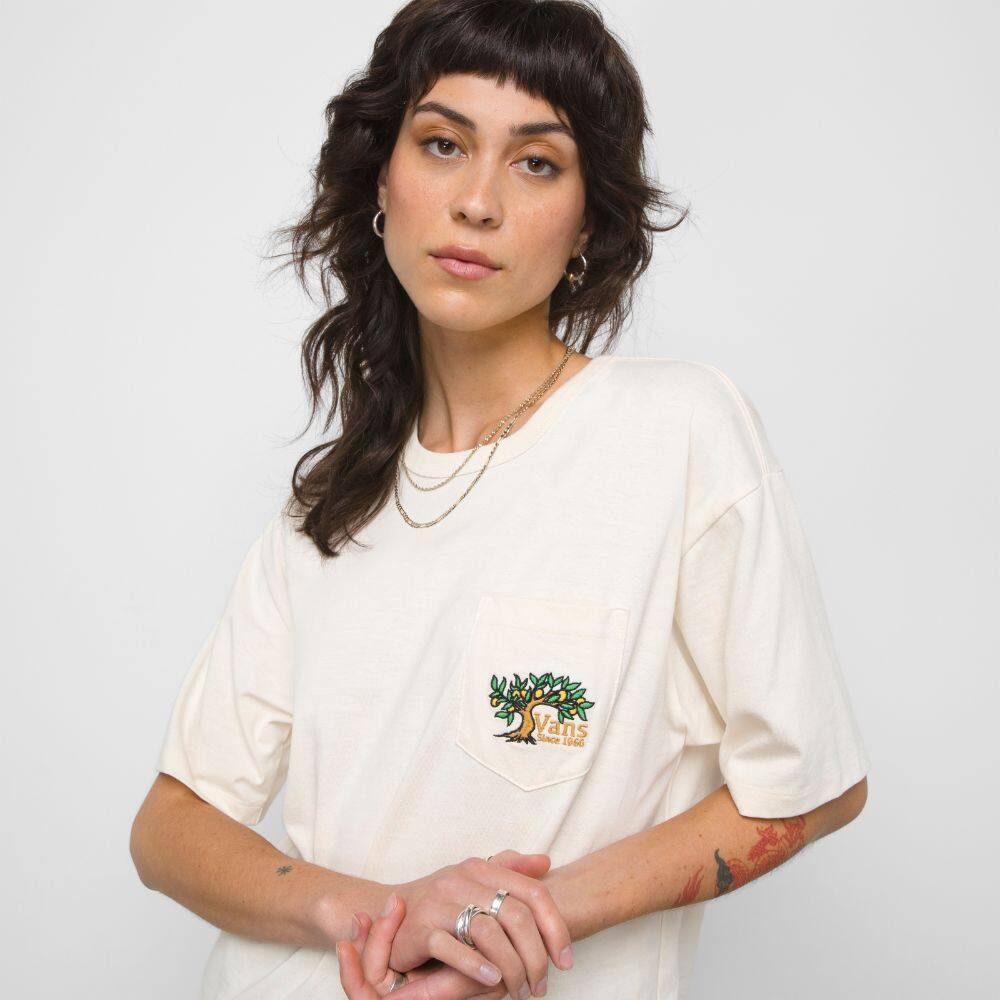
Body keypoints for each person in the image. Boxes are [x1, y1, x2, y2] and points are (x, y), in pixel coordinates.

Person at [129, 2, 872, 999]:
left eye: (536, 163)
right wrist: (380, 915)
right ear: (382, 180)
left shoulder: (677, 434)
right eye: (442, 144)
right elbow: (170, 828)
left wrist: (509, 925)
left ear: (588, 221)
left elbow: (811, 782)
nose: (477, 202)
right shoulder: (327, 512)